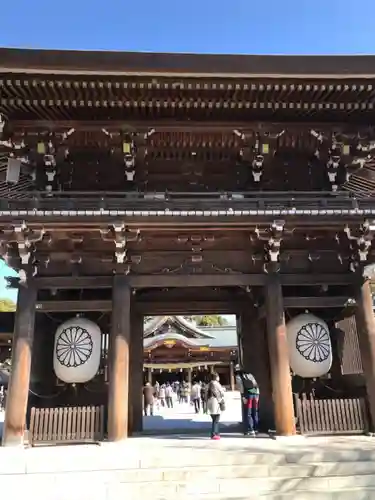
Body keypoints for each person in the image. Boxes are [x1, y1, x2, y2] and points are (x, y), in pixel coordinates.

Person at [235, 364, 260, 436]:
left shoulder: (238, 377)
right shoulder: (250, 375)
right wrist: (257, 395)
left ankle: (251, 429)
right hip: (255, 394)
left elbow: (241, 388)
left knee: (248, 413)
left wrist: (243, 397)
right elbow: (256, 385)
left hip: (247, 395)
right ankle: (256, 428)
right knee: (255, 411)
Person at [207, 372, 225, 440]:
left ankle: (216, 433)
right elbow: (221, 393)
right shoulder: (216, 384)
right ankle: (214, 434)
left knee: (214, 419)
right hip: (216, 402)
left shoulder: (208, 384)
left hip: (210, 402)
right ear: (216, 377)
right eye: (218, 376)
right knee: (216, 419)